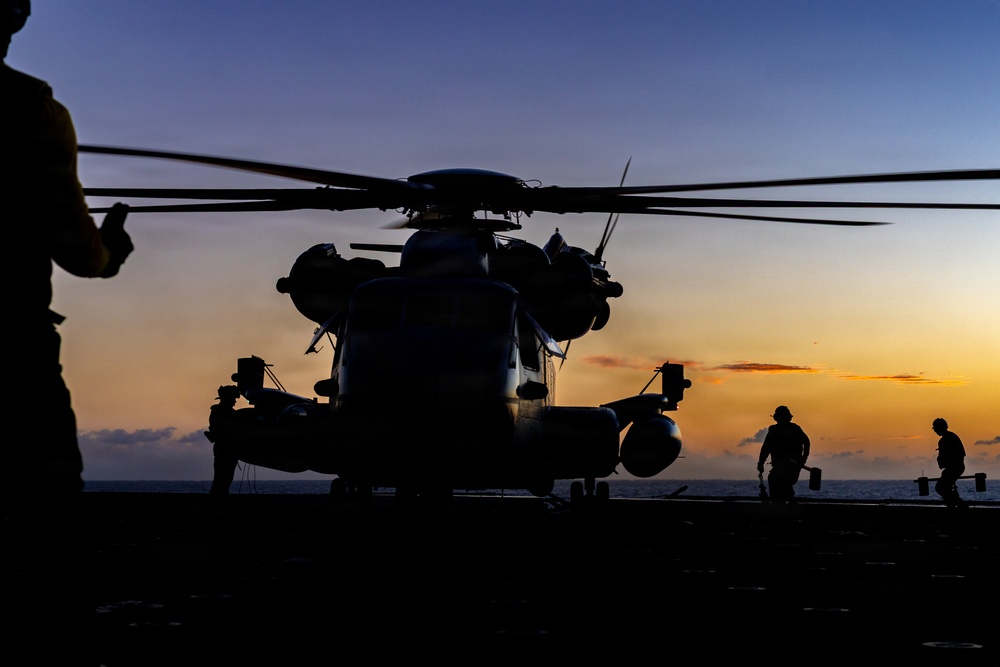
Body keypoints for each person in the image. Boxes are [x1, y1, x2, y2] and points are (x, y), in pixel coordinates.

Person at [2, 0, 134, 502]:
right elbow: (79, 252)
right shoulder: (34, 110)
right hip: (11, 344)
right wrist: (111, 252)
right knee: (49, 498)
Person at [757, 405, 810, 503]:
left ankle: (786, 504)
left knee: (781, 480)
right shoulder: (773, 430)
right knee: (775, 480)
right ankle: (780, 505)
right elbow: (766, 448)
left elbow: (806, 442)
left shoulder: (795, 429)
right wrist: (761, 462)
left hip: (792, 464)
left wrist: (803, 458)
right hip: (779, 465)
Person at [931, 418, 967, 509]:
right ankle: (955, 504)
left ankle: (957, 504)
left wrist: (948, 461)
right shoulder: (946, 439)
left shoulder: (950, 438)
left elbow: (961, 454)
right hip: (953, 468)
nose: (935, 431)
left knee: (940, 488)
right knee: (943, 488)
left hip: (955, 468)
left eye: (936, 428)